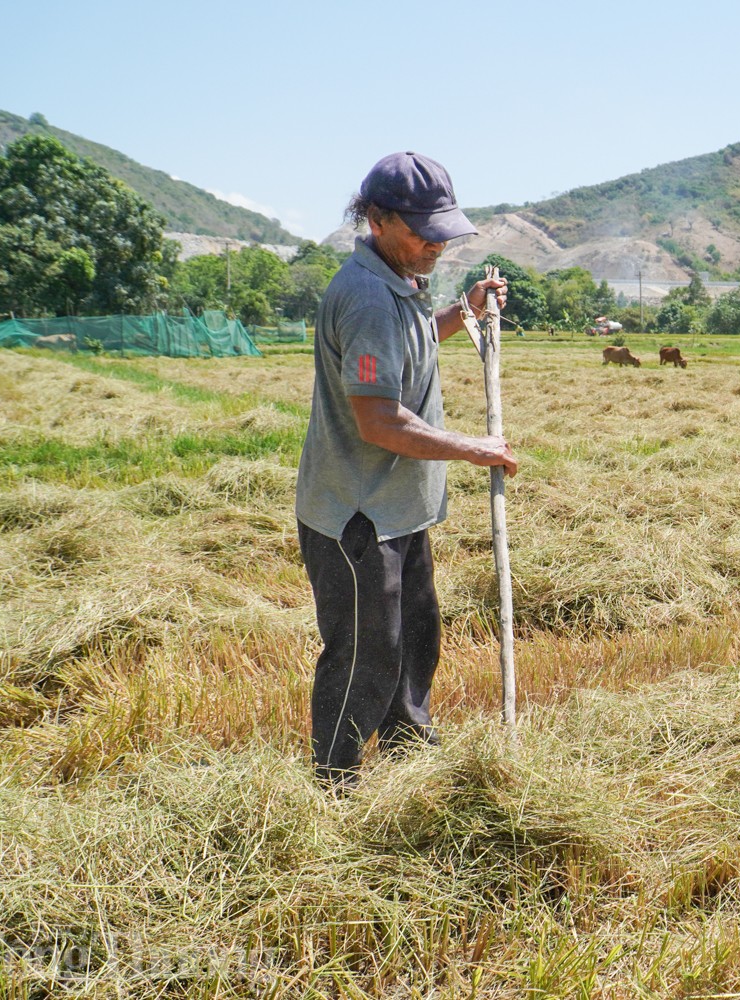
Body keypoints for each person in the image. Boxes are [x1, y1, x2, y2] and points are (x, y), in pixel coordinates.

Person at [295, 151, 518, 787]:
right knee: (365, 654)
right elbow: (379, 422)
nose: (437, 245)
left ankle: (407, 751)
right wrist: (475, 448)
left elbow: (413, 344)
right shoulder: (366, 298)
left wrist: (466, 311)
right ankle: (335, 784)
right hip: (357, 515)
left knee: (415, 639)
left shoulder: (400, 282)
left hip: (400, 509)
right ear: (378, 219)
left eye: (442, 230)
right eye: (424, 231)